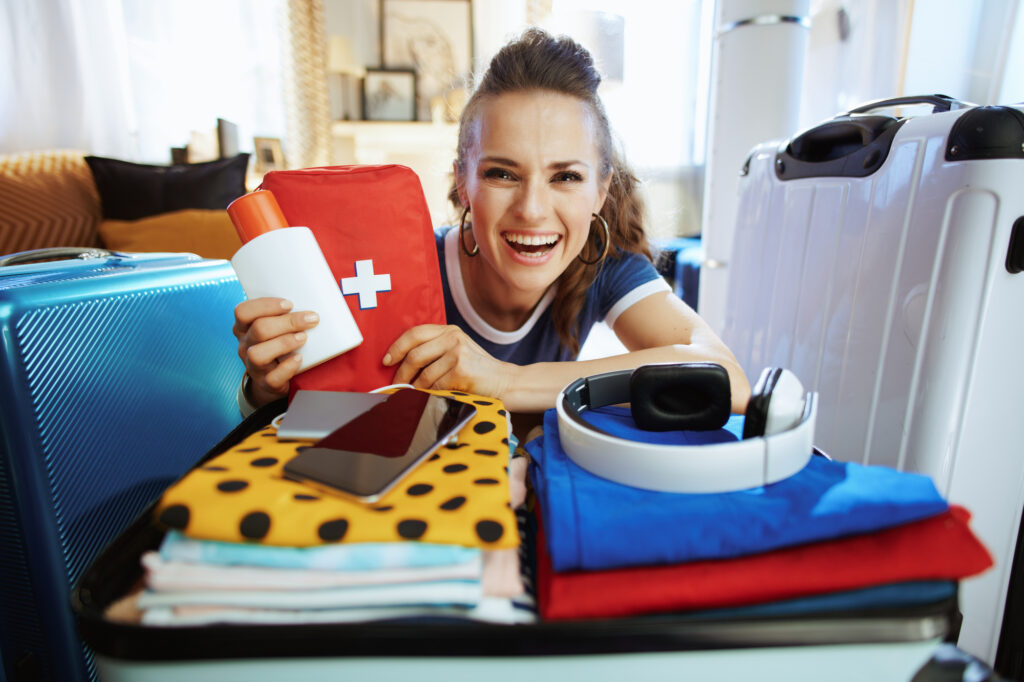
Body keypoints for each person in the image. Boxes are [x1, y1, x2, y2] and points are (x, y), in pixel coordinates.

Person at [233, 28, 750, 421]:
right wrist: (264, 390)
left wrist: (505, 380)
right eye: (502, 173)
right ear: (462, 182)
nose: (532, 209)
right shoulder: (404, 271)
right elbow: (331, 424)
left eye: (566, 176)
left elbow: (725, 375)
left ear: (601, 190)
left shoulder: (607, 269)